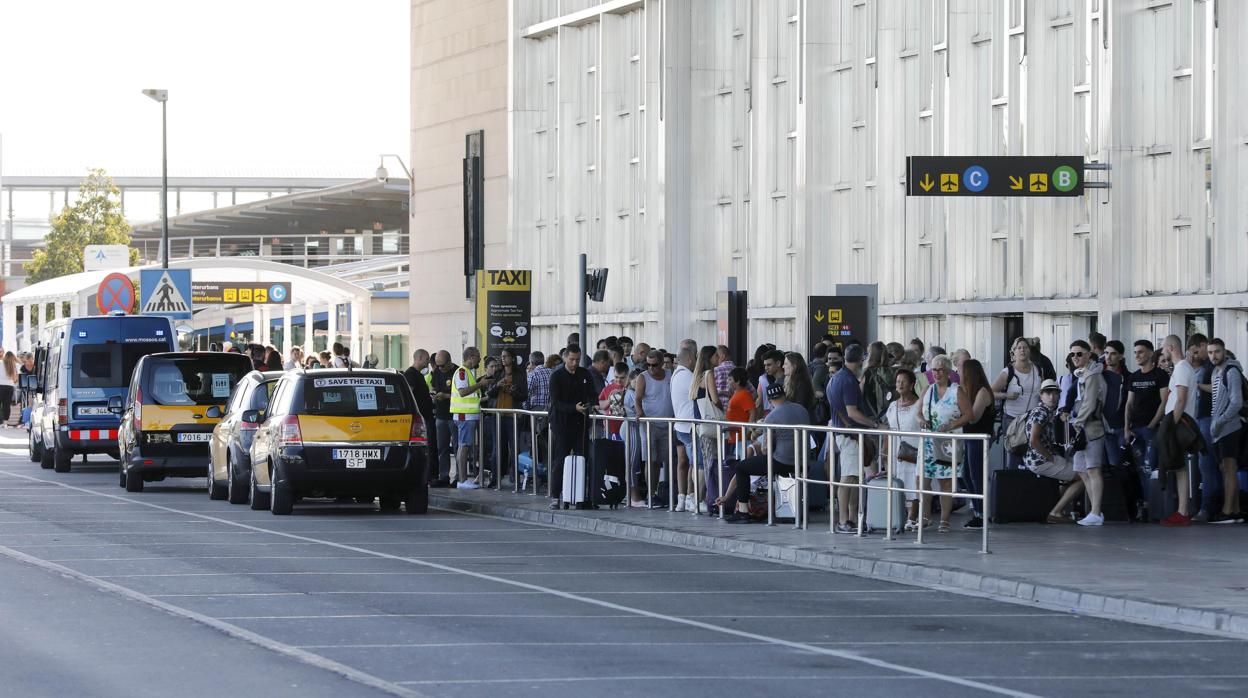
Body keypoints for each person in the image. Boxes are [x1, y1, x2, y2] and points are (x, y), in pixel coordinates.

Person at [719, 383, 810, 523]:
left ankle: (743, 511)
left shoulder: (772, 416)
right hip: (805, 462)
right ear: (784, 394)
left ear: (769, 399)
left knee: (741, 467)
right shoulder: (802, 409)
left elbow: (765, 449)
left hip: (783, 462)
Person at [827, 343, 879, 534]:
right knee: (848, 477)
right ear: (861, 359)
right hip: (849, 435)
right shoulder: (848, 381)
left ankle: (852, 517)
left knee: (854, 477)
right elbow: (853, 412)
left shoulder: (836, 378)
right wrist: (874, 425)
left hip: (845, 433)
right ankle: (843, 521)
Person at [919, 354, 972, 533]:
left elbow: (968, 415)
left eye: (941, 369)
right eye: (934, 369)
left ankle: (944, 519)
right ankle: (925, 517)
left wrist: (951, 425)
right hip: (928, 441)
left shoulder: (956, 391)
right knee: (923, 480)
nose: (937, 373)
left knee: (945, 482)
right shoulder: (927, 389)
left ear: (949, 371)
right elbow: (918, 412)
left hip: (948, 443)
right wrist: (921, 420)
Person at [1023, 379, 1088, 523]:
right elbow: (1034, 440)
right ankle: (1056, 512)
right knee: (1084, 477)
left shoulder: (1044, 411)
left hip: (1034, 459)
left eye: (1055, 393)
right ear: (1041, 395)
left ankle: (1058, 509)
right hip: (1041, 460)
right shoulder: (1042, 412)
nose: (1052, 396)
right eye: (1047, 393)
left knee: (1073, 474)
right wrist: (1050, 458)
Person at [547, 345, 598, 509]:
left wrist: (593, 405)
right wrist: (573, 408)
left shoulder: (584, 374)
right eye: (571, 360)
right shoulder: (556, 377)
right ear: (565, 358)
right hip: (562, 424)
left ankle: (581, 496)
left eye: (577, 359)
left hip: (581, 424)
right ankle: (555, 497)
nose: (574, 363)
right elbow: (556, 402)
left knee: (583, 459)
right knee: (560, 460)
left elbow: (592, 394)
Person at [1159, 334, 1200, 526]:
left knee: (1180, 467)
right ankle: (1182, 510)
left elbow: (1181, 399)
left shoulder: (1183, 368)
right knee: (1179, 468)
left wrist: (1171, 425)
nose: (1162, 351)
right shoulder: (1181, 369)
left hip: (1179, 422)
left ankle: (1183, 510)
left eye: (1164, 348)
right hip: (1177, 420)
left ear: (1171, 348)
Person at [1068, 340, 1107, 526]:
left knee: (1092, 469)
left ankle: (1096, 511)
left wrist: (1078, 420)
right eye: (1072, 354)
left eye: (1079, 354)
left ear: (1088, 355)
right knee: (1083, 470)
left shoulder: (1092, 375)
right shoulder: (1083, 374)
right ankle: (1095, 511)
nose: (1075, 357)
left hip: (1092, 427)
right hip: (1083, 428)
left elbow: (1090, 402)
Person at [1207, 339, 1244, 523]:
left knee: (1229, 468)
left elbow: (1236, 401)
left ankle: (1228, 511)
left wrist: (1221, 421)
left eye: (1217, 351)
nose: (1214, 355)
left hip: (1229, 427)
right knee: (1226, 469)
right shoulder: (1216, 372)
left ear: (1225, 352)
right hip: (1220, 429)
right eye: (1211, 352)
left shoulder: (1231, 371)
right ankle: (1235, 510)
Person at [993, 337, 1044, 470]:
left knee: (1033, 455)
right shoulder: (1008, 372)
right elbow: (991, 392)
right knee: (1014, 455)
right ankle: (1012, 487)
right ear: (1014, 352)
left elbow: (1042, 392)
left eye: (1025, 348)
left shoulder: (1038, 369)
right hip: (1012, 419)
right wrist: (1006, 395)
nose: (1022, 350)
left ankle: (1028, 486)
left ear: (1029, 351)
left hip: (1033, 419)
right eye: (1019, 348)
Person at [1124, 339, 1166, 498]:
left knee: (1150, 467)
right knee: (1140, 469)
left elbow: (1164, 401)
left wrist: (1152, 425)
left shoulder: (1160, 375)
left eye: (1140, 352)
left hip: (1152, 429)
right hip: (1135, 430)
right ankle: (1146, 504)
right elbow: (1129, 404)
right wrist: (1127, 428)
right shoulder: (1134, 377)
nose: (1137, 355)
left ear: (1150, 353)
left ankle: (1154, 504)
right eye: (1135, 353)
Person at [452, 347, 498, 489]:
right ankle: (463, 480)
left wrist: (484, 395)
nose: (479, 359)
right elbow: (462, 392)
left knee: (463, 446)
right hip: (464, 415)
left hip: (467, 414)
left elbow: (472, 396)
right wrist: (480, 384)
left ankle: (463, 479)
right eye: (478, 356)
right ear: (471, 357)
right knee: (464, 446)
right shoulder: (462, 372)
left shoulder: (467, 372)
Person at [883, 368, 922, 531]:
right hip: (895, 449)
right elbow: (888, 426)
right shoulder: (892, 405)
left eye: (904, 381)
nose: (900, 384)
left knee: (913, 482)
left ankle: (912, 517)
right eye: (898, 381)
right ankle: (900, 515)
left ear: (912, 384)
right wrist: (885, 448)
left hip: (913, 448)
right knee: (897, 481)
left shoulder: (919, 404)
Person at [634, 349, 674, 507]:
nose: (651, 368)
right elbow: (637, 399)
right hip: (649, 424)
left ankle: (663, 492)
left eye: (654, 365)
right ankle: (651, 494)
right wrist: (639, 412)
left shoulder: (670, 375)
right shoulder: (643, 377)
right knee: (651, 460)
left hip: (667, 423)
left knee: (665, 459)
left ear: (661, 363)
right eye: (648, 365)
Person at [958, 359, 994, 529]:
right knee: (967, 475)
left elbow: (974, 418)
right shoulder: (968, 391)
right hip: (970, 438)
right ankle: (977, 511)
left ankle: (982, 513)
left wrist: (960, 412)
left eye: (961, 371)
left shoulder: (982, 392)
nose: (958, 374)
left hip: (979, 438)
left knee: (976, 476)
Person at [1189, 334, 1219, 522]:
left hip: (1209, 417)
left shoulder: (1214, 366)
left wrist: (1197, 385)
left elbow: (1217, 387)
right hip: (1201, 417)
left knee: (1206, 463)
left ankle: (1208, 508)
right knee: (1203, 464)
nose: (1196, 355)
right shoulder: (1203, 366)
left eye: (1196, 351)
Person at [401, 349, 438, 484]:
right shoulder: (411, 374)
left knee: (432, 447)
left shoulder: (418, 375)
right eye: (427, 359)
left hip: (426, 417)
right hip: (422, 419)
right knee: (428, 448)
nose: (428, 361)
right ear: (420, 358)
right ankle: (429, 477)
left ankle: (431, 476)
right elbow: (409, 395)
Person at [669, 347, 697, 512]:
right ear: (689, 359)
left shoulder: (675, 375)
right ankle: (690, 496)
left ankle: (682, 498)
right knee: (693, 462)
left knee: (682, 462)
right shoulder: (688, 376)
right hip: (688, 426)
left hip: (679, 424)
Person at [426, 350, 457, 487]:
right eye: (436, 365)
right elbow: (433, 385)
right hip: (440, 414)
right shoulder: (437, 372)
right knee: (442, 448)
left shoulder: (457, 372)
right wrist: (434, 393)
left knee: (457, 447)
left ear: (449, 361)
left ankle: (459, 477)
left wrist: (446, 396)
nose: (439, 368)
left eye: (441, 365)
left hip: (454, 414)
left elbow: (462, 393)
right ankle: (444, 476)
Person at [1101, 340, 1128, 471]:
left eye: (1112, 354)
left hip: (1122, 426)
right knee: (1110, 465)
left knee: (1120, 465)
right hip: (1103, 427)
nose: (1108, 357)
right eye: (1106, 353)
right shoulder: (1098, 374)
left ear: (1121, 356)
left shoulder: (1127, 377)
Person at [860, 341, 895, 421]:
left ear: (870, 355)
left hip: (871, 415)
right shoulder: (891, 372)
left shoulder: (867, 373)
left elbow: (860, 395)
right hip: (888, 413)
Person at [598, 362, 629, 439]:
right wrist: (608, 401)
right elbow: (598, 405)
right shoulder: (608, 388)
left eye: (622, 378)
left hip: (627, 428)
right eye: (616, 377)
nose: (618, 380)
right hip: (610, 429)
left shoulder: (631, 388)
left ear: (628, 375)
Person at [754, 349, 785, 419]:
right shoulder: (763, 379)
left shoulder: (788, 381)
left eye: (769, 365)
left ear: (778, 363)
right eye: (765, 365)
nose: (766, 368)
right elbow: (759, 403)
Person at [712, 345, 736, 412]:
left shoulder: (715, 370)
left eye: (716, 356)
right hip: (736, 412)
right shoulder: (739, 370)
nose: (715, 359)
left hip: (719, 411)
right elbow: (753, 392)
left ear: (722, 356)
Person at [0, 352, 16, 426]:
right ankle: (5, 422)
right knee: (6, 405)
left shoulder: (0, 363)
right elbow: (15, 378)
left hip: (1, 385)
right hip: (10, 387)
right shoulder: (13, 366)